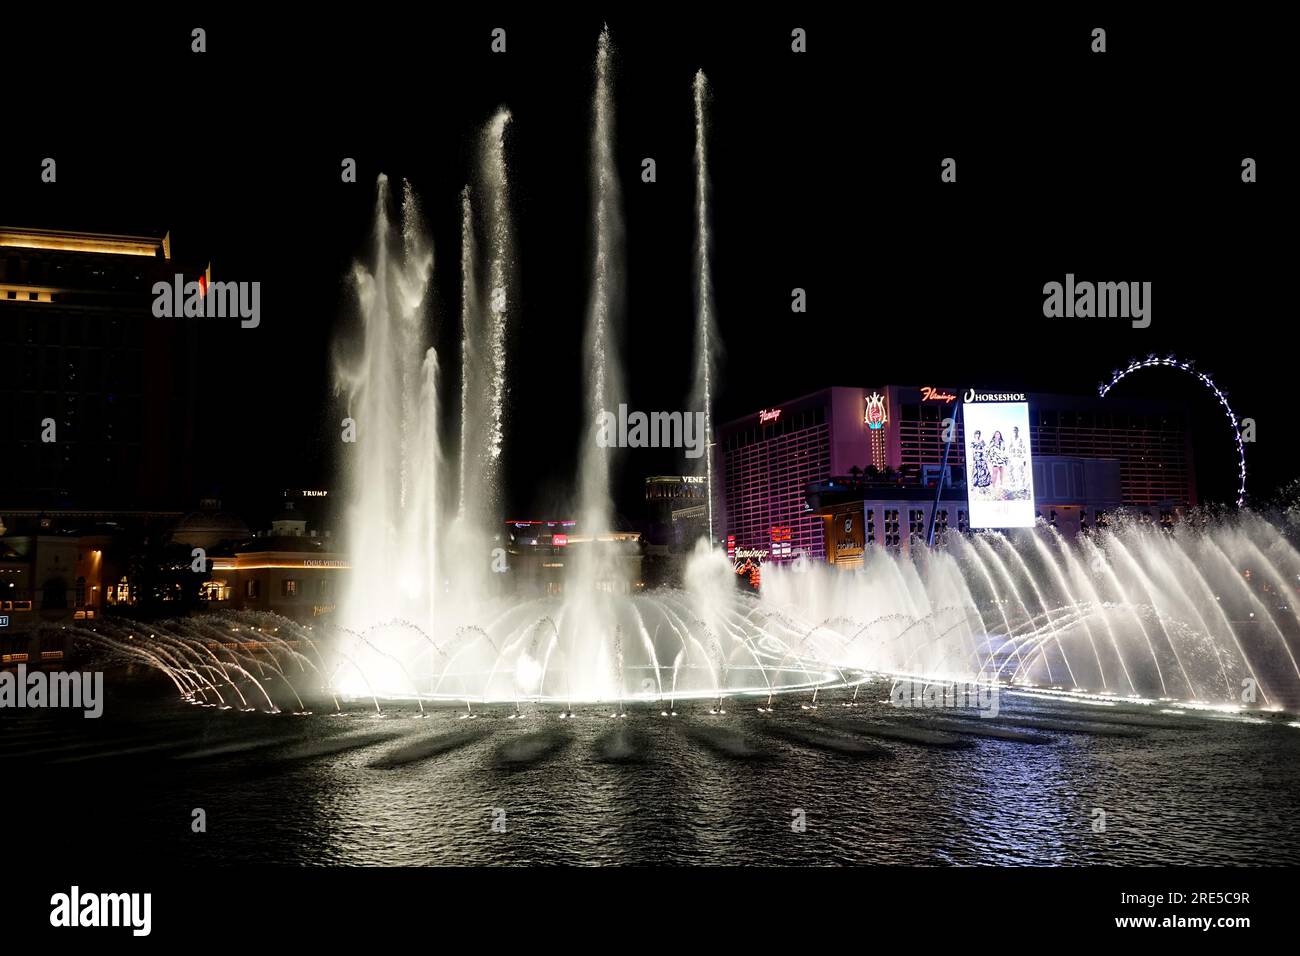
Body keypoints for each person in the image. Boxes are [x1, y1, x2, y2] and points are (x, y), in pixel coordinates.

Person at [1008, 425, 1027, 491]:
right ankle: (1013, 487)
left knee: (1021, 472)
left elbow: (1024, 449)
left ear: (1018, 431)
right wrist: (1009, 458)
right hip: (1012, 458)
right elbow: (1009, 449)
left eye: (1016, 430)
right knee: (1012, 472)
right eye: (1014, 430)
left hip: (1020, 458)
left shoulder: (1021, 439)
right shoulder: (1010, 439)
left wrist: (1024, 459)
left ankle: (1022, 487)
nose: (1015, 431)